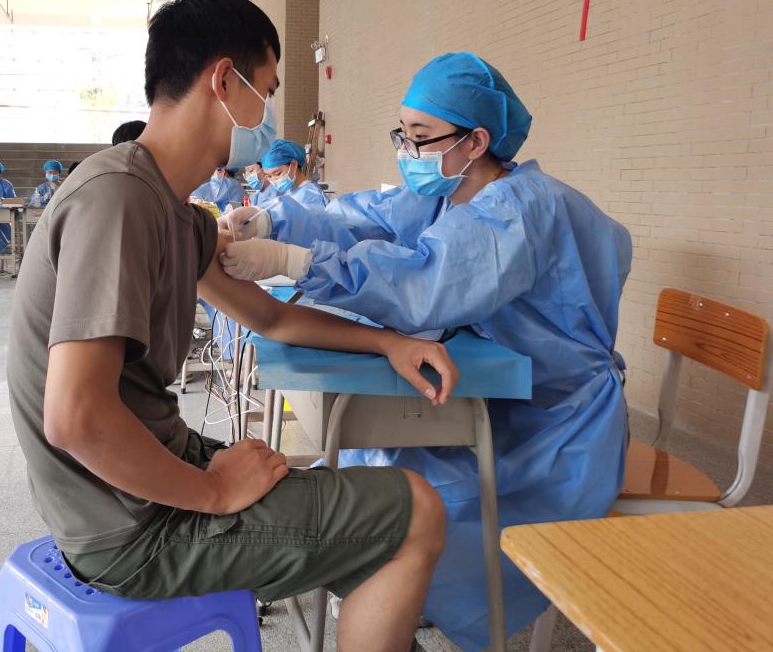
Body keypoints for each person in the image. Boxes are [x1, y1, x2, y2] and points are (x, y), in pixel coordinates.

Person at [8, 0, 457, 652]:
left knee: (366, 523)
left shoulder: (170, 209)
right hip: (129, 528)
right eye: (266, 92)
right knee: (418, 510)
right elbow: (74, 418)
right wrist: (212, 490)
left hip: (131, 492)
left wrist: (386, 342)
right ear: (224, 82)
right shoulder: (119, 200)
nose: (267, 117)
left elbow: (271, 319)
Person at [220, 51, 633, 651]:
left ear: (476, 141)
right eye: (403, 134)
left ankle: (417, 584)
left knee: (425, 482)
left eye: (419, 136)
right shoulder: (448, 193)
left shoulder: (520, 210)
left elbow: (424, 283)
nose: (407, 150)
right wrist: (274, 222)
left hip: (555, 416)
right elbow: (363, 218)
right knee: (383, 458)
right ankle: (397, 585)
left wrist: (298, 263)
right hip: (496, 384)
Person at [261, 139, 329, 211]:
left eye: (277, 174)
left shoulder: (311, 195)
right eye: (269, 176)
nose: (274, 180)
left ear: (293, 165)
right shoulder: (290, 191)